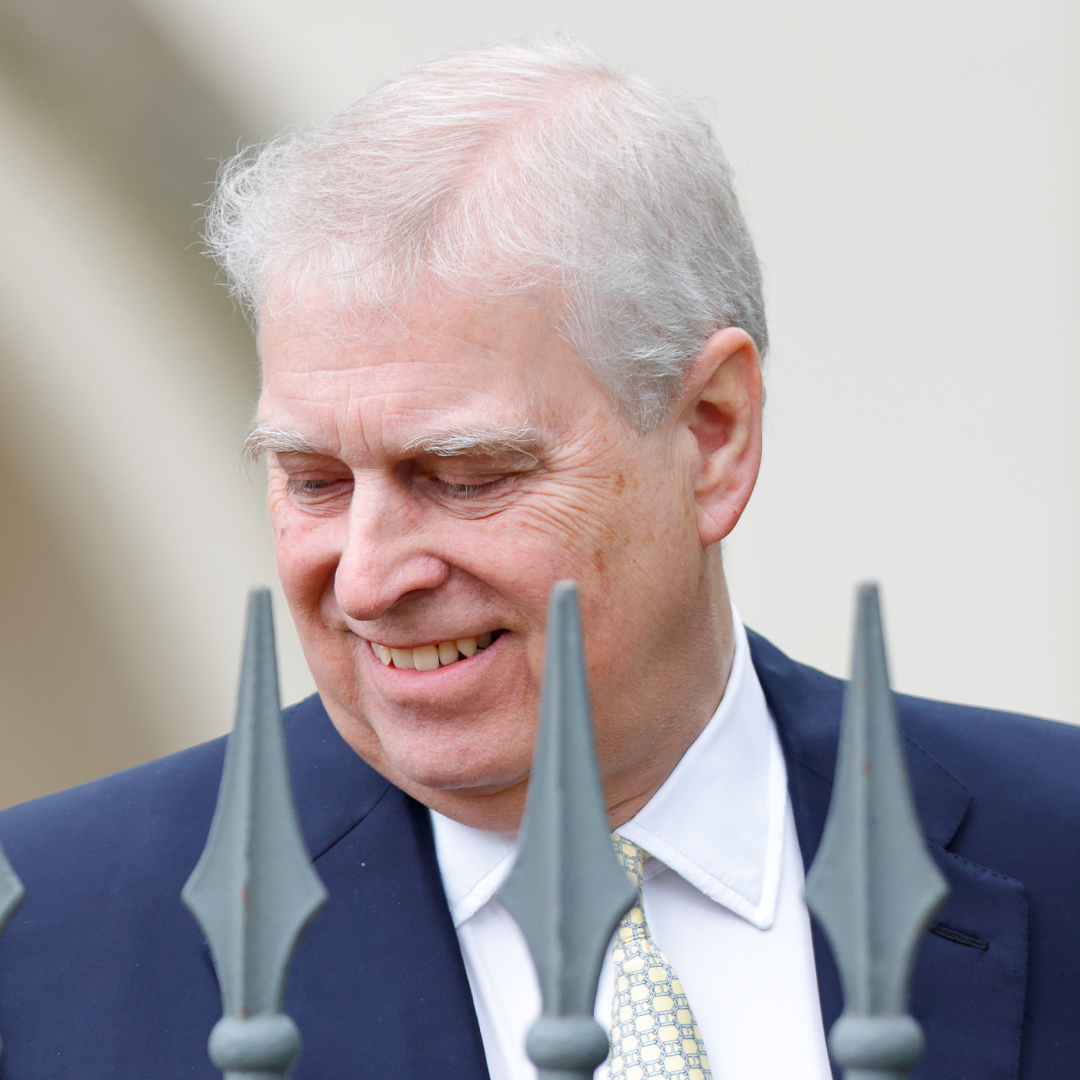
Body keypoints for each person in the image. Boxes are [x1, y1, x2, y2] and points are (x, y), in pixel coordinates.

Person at [0, 34, 1076, 1080]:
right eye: (313, 480)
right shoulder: (45, 939)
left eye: (463, 476)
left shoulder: (1056, 840)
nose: (370, 580)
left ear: (712, 431)